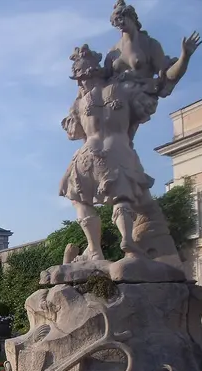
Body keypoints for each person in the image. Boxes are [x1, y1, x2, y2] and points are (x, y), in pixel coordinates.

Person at [59, 44, 160, 261]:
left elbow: (73, 132)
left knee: (78, 199)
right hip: (118, 149)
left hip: (88, 154)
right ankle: (128, 240)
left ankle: (94, 249)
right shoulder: (123, 89)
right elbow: (145, 110)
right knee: (122, 197)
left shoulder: (79, 102)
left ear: (79, 79)